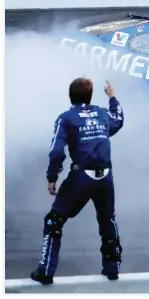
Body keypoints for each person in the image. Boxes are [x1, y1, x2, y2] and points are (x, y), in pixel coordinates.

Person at [30, 78, 125, 285]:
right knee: (107, 220)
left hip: (81, 177)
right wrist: (112, 96)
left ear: (70, 95)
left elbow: (56, 151)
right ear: (90, 96)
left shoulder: (66, 118)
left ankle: (46, 271)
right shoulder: (101, 113)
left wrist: (52, 176)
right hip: (105, 176)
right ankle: (112, 268)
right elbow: (118, 120)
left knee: (53, 221)